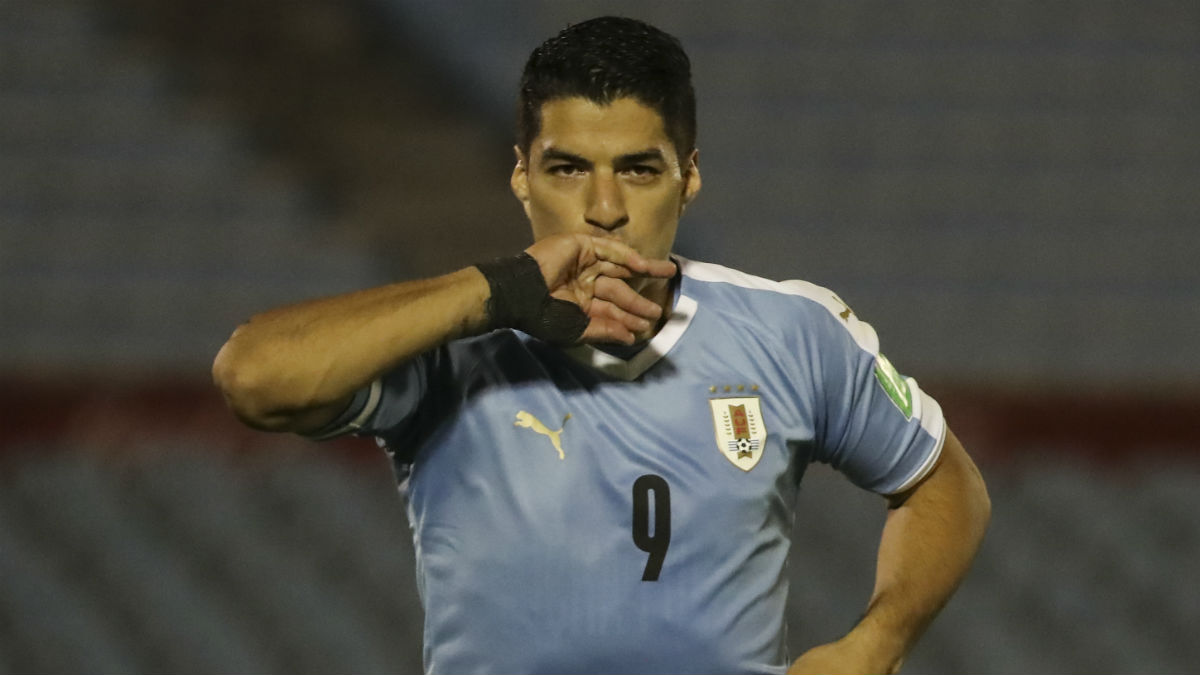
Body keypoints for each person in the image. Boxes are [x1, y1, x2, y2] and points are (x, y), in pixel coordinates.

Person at [213, 16, 990, 675]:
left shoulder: (794, 334)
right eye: (568, 169)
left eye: (639, 170)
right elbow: (252, 375)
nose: (605, 208)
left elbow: (945, 483)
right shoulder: (448, 343)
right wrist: (495, 292)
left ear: (688, 179)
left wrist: (873, 645)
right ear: (521, 176)